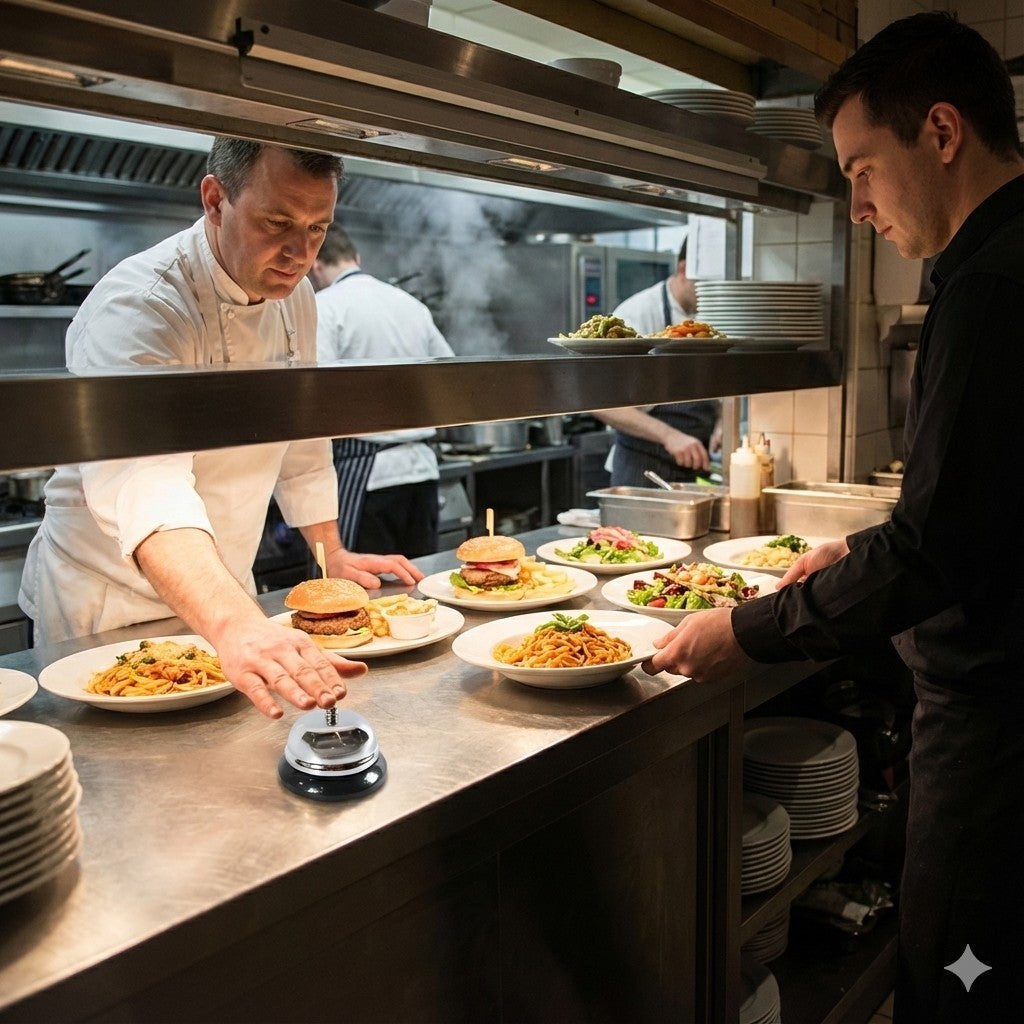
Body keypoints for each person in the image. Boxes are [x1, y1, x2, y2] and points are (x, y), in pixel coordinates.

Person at [644, 13, 1024, 1022]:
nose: (856, 208)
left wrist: (747, 628)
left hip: (997, 745)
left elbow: (937, 550)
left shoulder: (992, 285)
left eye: (861, 170)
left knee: (961, 986)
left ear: (940, 132)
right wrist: (858, 548)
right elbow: (982, 506)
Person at [18, 138, 423, 720]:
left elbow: (301, 436)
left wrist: (329, 552)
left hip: (229, 596)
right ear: (214, 199)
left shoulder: (296, 297)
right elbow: (144, 484)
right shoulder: (143, 305)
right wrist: (235, 623)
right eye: (276, 223)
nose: (300, 253)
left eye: (316, 229)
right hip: (110, 607)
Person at [310, 224, 454, 557]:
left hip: (367, 474)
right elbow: (449, 376)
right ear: (357, 258)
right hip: (422, 471)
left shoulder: (325, 306)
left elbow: (315, 390)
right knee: (418, 578)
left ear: (316, 266)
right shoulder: (411, 305)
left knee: (361, 582)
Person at [593, 236, 722, 485]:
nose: (715, 293)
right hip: (642, 467)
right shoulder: (636, 314)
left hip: (696, 466)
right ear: (684, 269)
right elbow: (600, 402)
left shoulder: (709, 315)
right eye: (709, 284)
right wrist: (668, 435)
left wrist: (721, 421)